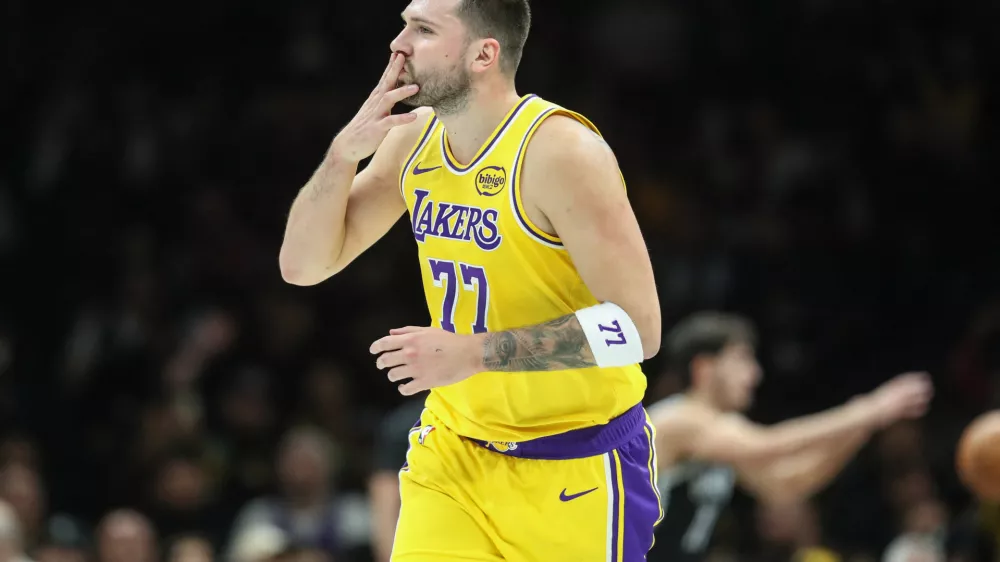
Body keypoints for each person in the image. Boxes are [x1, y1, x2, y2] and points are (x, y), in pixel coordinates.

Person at [278, 0, 662, 559]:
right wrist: (343, 154)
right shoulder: (414, 139)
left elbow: (638, 331)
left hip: (576, 461)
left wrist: (475, 353)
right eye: (405, 24)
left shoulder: (562, 152)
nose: (398, 44)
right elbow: (302, 266)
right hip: (455, 452)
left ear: (484, 54)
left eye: (423, 29)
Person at [647, 312, 934, 562]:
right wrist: (867, 410)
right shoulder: (680, 419)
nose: (754, 374)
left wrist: (859, 429)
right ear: (704, 368)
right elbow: (767, 444)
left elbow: (785, 484)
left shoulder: (722, 435)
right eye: (742, 359)